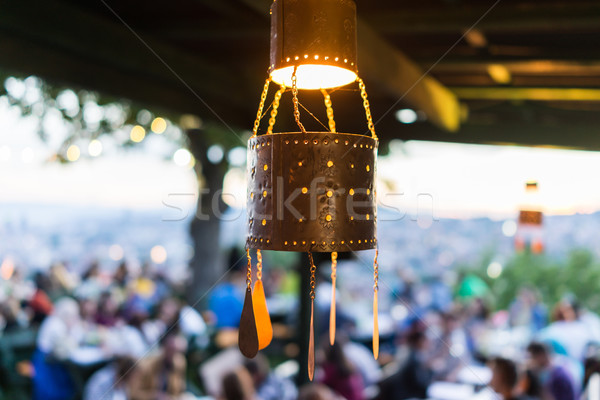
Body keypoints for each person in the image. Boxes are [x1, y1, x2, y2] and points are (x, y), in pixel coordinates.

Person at [32, 297, 82, 400]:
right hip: (47, 364)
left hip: (48, 360)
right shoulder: (56, 324)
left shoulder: (54, 320)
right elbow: (65, 350)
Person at [128, 332, 188, 400]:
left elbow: (179, 390)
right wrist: (153, 396)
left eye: (177, 352)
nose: (174, 355)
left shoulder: (179, 363)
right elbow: (133, 394)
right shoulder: (147, 365)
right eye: (171, 350)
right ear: (164, 348)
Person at [376, 330, 433, 400]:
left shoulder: (409, 352)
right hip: (403, 394)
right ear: (420, 341)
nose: (429, 343)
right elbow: (419, 383)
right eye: (427, 340)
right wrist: (431, 371)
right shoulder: (414, 358)